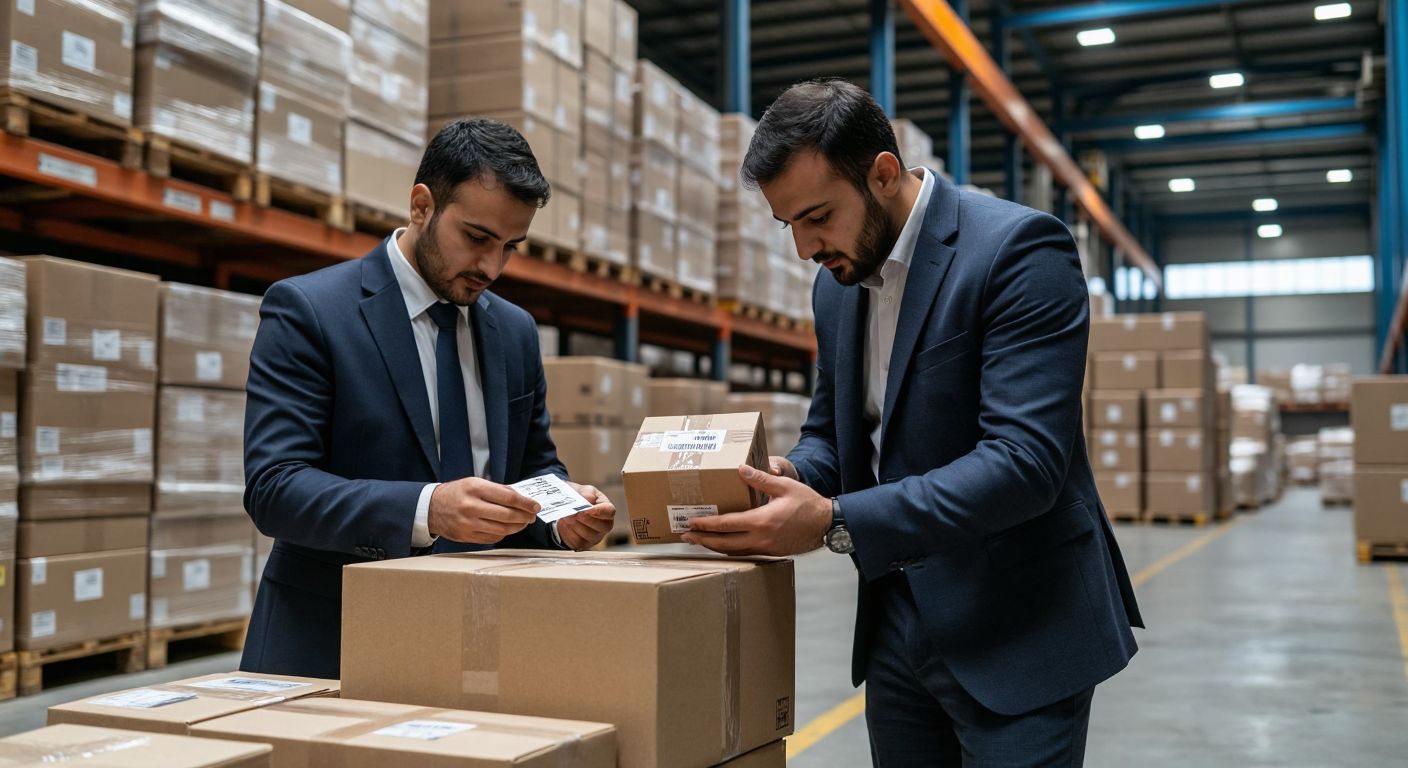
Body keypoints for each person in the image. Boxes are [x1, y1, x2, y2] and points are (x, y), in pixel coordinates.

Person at [682, 80, 1143, 766]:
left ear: (884, 173)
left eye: (817, 217)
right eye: (789, 227)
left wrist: (834, 519)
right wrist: (790, 476)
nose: (805, 249)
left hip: (1018, 626)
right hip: (899, 623)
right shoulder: (835, 287)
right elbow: (834, 434)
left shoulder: (1018, 252)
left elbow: (1026, 463)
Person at [240, 118, 615, 679]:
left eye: (511, 247)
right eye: (477, 238)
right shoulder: (311, 311)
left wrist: (561, 516)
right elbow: (275, 488)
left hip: (479, 645)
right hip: (333, 645)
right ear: (422, 206)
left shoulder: (514, 333)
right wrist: (426, 508)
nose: (491, 267)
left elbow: (533, 469)